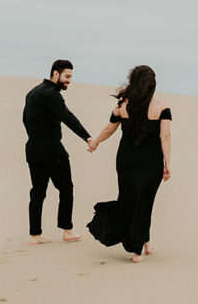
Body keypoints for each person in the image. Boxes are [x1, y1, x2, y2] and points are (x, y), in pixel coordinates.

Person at [86, 65, 172, 263]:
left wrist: (96, 142)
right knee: (145, 202)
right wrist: (168, 162)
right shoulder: (162, 106)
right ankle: (136, 250)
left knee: (130, 200)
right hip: (151, 163)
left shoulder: (122, 105)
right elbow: (165, 136)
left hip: (126, 161)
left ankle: (145, 241)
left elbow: (109, 128)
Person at [22, 59, 97, 245]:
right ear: (55, 73)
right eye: (67, 76)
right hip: (52, 149)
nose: (69, 80)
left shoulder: (33, 93)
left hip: (33, 149)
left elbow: (26, 120)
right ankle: (67, 230)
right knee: (66, 188)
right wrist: (87, 137)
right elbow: (66, 116)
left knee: (38, 192)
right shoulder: (52, 94)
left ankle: (35, 235)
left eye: (70, 77)